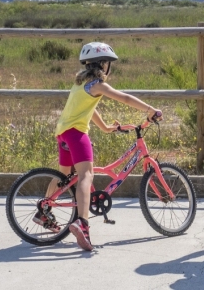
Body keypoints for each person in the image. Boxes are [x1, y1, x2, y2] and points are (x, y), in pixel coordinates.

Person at [42, 41, 162, 251]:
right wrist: (150, 109)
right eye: (108, 63)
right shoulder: (98, 84)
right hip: (76, 134)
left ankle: (44, 211)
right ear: (104, 64)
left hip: (62, 133)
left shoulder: (81, 83)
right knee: (86, 175)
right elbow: (124, 97)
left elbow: (88, 108)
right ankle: (83, 223)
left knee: (64, 178)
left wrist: (106, 128)